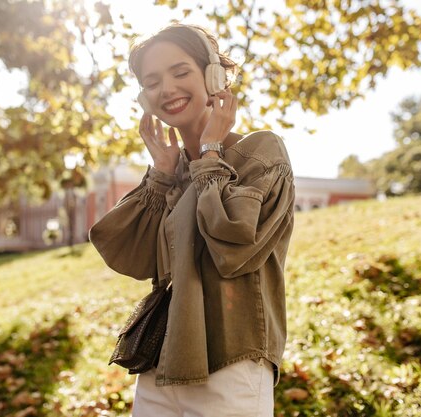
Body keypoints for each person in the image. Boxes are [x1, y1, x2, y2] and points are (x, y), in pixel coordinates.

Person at [89, 23, 296, 416]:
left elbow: (232, 249)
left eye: (180, 72)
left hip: (232, 364)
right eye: (152, 81)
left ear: (213, 75)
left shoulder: (261, 153)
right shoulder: (170, 171)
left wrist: (211, 153)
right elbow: (127, 253)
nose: (166, 89)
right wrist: (161, 175)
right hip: (161, 367)